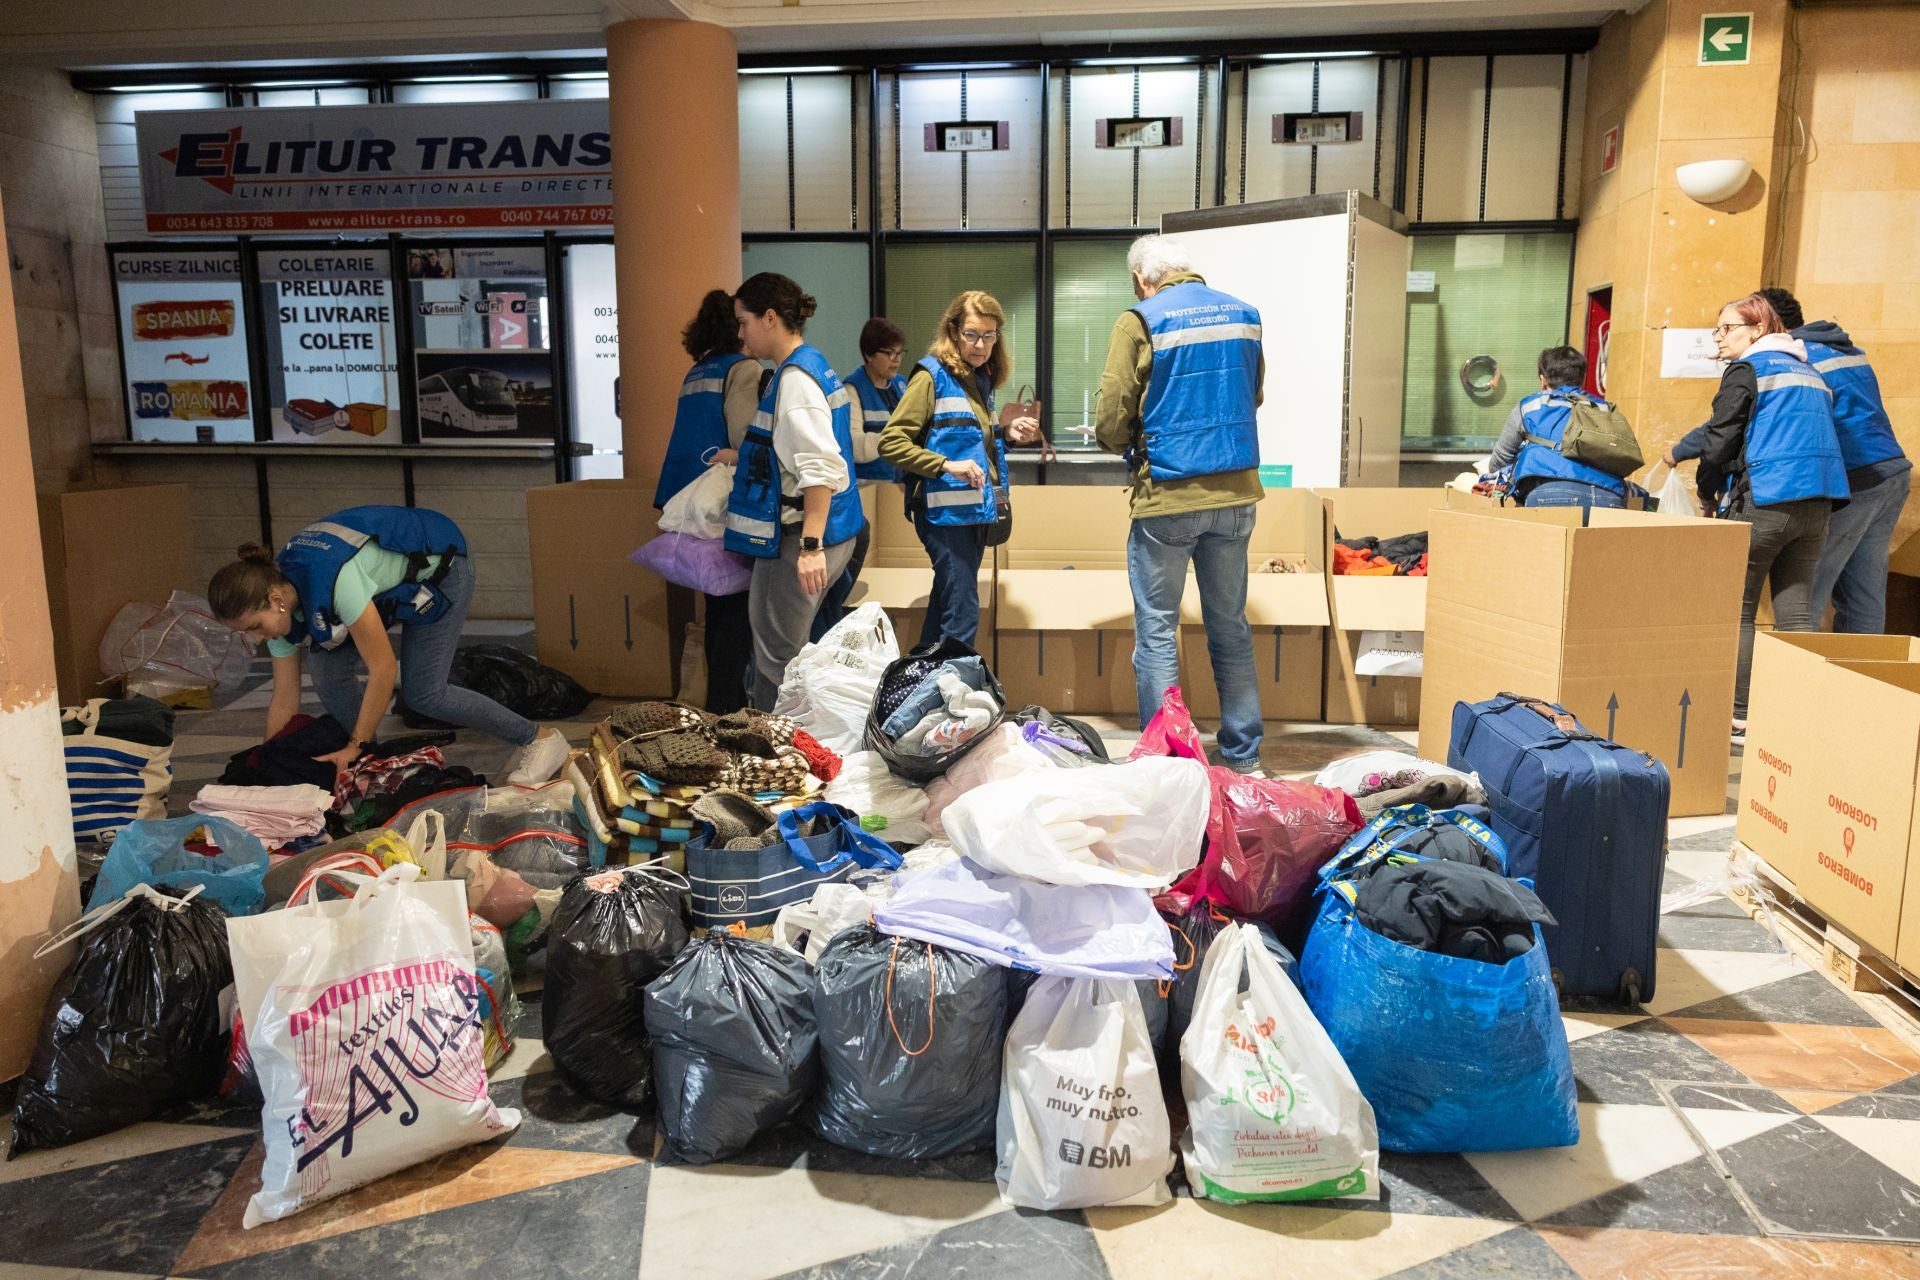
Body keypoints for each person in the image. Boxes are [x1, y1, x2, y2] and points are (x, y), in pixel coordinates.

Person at [207, 507, 568, 785]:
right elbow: (284, 697)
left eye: (255, 627)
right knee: (327, 671)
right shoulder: (279, 601)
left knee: (425, 693)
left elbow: (383, 669)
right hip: (388, 586)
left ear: (275, 599)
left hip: (441, 568)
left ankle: (540, 738)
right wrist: (269, 763)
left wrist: (356, 743)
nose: (256, 639)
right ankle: (371, 767)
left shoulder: (336, 583)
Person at [1094, 234, 1267, 776]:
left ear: (1143, 279)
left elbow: (1112, 415)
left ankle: (1169, 760)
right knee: (1230, 626)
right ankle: (1243, 756)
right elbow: (1252, 393)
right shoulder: (1246, 314)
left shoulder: (1140, 319)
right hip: (1237, 494)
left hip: (1168, 495)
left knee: (1157, 630)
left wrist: (1120, 438)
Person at [1664, 292, 1847, 744]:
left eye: (1728, 328)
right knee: (1797, 611)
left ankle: (1741, 715)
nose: (1719, 337)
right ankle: (1801, 710)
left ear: (1759, 329)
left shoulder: (1748, 370)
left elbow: (1721, 438)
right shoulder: (1809, 371)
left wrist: (1707, 489)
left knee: (1738, 609)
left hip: (1767, 499)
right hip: (1819, 502)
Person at [723, 272, 867, 710]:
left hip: (800, 538)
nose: (741, 333)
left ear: (770, 318)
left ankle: (786, 752)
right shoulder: (813, 364)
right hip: (842, 526)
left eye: (743, 321)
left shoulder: (795, 381)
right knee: (793, 653)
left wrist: (809, 546)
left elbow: (819, 468)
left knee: (779, 660)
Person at [877, 292, 1040, 648]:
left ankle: (921, 682)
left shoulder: (979, 378)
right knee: (962, 613)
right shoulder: (931, 376)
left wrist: (1007, 434)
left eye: (989, 335)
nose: (981, 344)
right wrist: (945, 465)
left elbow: (968, 440)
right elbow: (890, 443)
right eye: (971, 334)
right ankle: (951, 695)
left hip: (974, 511)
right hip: (944, 515)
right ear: (953, 331)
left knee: (944, 607)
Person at [1760, 287, 1911, 634]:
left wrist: (1680, 450)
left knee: (1805, 592)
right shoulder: (1845, 349)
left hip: (1855, 479)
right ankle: (1859, 679)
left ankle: (1801, 683)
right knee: (1864, 594)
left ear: (1771, 324)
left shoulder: (1793, 360)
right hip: (1890, 473)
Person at [656, 288, 764, 713]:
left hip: (687, 501)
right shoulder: (742, 369)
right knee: (736, 608)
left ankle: (715, 702)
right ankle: (728, 707)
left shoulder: (697, 371)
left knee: (717, 606)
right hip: (721, 504)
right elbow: (741, 438)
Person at [812, 317, 908, 641]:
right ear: (869, 354)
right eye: (888, 353)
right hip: (867, 492)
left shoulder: (902, 386)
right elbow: (853, 446)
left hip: (897, 487)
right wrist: (893, 441)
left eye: (900, 353)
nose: (895, 360)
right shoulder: (852, 389)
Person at [1486, 346, 1631, 510]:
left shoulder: (1530, 406)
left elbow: (1499, 460)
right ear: (1582, 379)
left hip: (1549, 495)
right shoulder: (1606, 409)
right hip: (1610, 497)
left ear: (1543, 380)